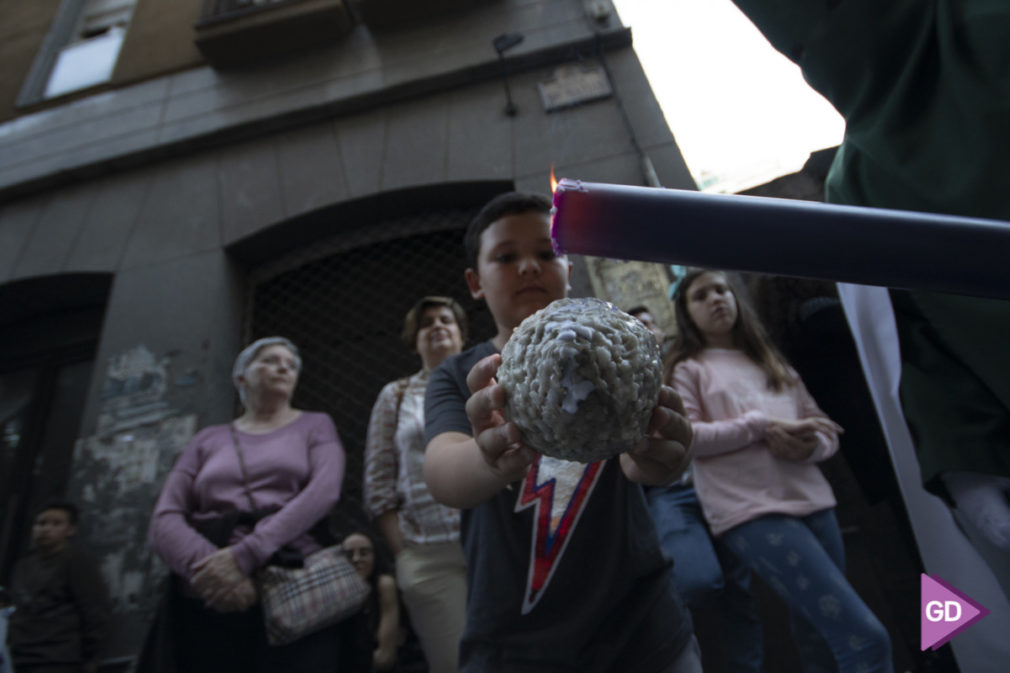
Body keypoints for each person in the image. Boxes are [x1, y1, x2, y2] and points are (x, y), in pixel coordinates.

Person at [422, 191, 701, 673]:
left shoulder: (620, 351)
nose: (529, 267)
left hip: (642, 630)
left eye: (547, 253)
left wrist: (662, 455)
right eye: (506, 257)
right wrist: (488, 457)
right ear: (475, 282)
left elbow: (646, 456)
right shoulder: (457, 374)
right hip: (514, 642)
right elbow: (443, 472)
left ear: (569, 267)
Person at [668, 268, 893, 673]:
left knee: (817, 636)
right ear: (685, 312)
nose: (716, 299)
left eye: (722, 289)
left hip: (813, 500)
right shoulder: (688, 369)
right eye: (700, 295)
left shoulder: (771, 361)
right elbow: (688, 437)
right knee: (865, 639)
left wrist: (809, 446)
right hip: (750, 510)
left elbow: (825, 429)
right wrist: (759, 425)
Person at [146, 336, 347, 673]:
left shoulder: (315, 425)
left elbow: (323, 493)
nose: (283, 367)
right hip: (208, 590)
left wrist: (245, 555)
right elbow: (164, 518)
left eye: (291, 364)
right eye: (269, 360)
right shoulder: (208, 439)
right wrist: (210, 569)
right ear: (241, 377)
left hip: (291, 577)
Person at [629, 306, 763, 673]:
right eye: (636, 324)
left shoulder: (685, 365)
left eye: (650, 322)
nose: (646, 328)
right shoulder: (623, 375)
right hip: (672, 493)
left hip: (720, 483)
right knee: (699, 579)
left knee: (740, 593)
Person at [363, 296, 467, 673]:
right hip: (428, 555)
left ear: (460, 333)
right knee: (455, 663)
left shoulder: (488, 378)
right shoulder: (396, 395)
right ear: (414, 338)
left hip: (496, 539)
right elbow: (378, 477)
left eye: (445, 320)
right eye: (427, 323)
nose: (437, 326)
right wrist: (403, 551)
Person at [7, 501, 109, 673]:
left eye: (56, 523)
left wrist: (91, 656)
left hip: (59, 659)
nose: (46, 529)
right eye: (41, 523)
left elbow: (94, 611)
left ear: (71, 530)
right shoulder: (23, 566)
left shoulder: (77, 562)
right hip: (19, 657)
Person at [340, 531, 403, 672]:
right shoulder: (337, 594)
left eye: (364, 553)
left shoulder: (384, 585)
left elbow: (385, 657)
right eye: (349, 555)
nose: (356, 559)